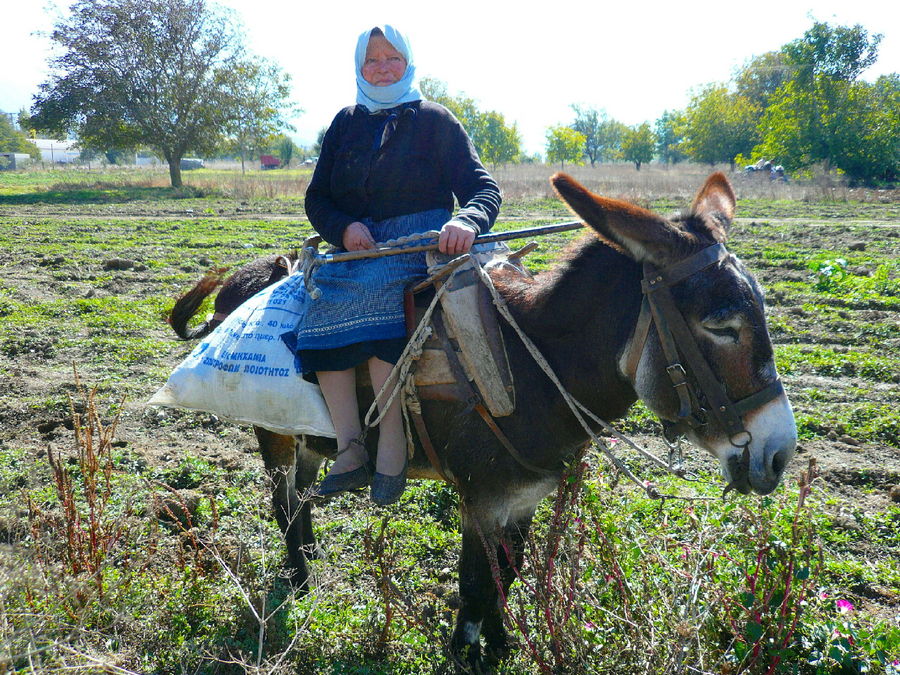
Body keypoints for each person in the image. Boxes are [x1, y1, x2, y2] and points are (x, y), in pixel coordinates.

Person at [286, 25, 501, 505]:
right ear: (359, 68)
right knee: (319, 314)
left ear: (408, 63)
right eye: (372, 60)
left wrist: (466, 220)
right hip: (357, 249)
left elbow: (483, 190)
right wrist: (342, 228)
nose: (382, 68)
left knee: (384, 302)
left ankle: (392, 443)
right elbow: (317, 197)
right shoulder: (345, 122)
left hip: (417, 244)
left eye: (392, 58)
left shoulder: (436, 120)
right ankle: (350, 447)